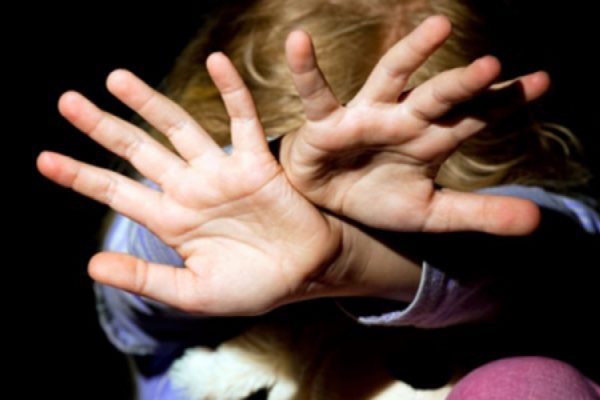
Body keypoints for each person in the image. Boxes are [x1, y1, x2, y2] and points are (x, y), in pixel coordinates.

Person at [37, 0, 600, 398]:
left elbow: (553, 253)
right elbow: (132, 270)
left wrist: (350, 257)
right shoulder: (181, 225)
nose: (300, 221)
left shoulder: (532, 244)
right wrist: (271, 169)